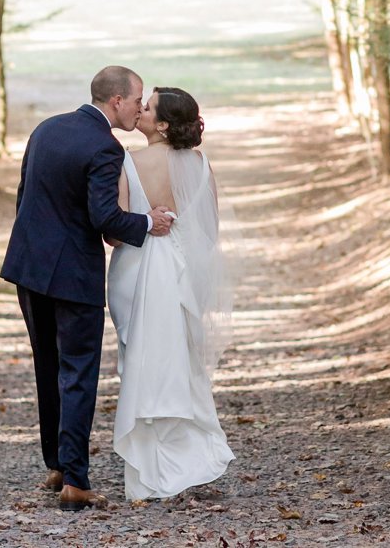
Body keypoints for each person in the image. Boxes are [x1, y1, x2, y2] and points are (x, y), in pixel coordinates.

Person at [1, 65, 174, 512]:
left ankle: (58, 464)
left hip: (27, 267)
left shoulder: (46, 129)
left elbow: (25, 197)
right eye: (137, 100)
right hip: (73, 275)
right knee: (78, 372)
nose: (140, 108)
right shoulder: (105, 146)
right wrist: (147, 222)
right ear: (117, 101)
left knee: (48, 366)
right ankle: (76, 481)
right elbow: (105, 219)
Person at [108, 86, 235, 500]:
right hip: (182, 274)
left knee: (141, 361)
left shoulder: (128, 161)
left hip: (137, 267)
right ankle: (187, 459)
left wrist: (148, 225)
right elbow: (209, 232)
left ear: (161, 124)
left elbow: (116, 234)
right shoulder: (201, 165)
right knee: (179, 362)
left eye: (148, 107)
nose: (140, 109)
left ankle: (147, 471)